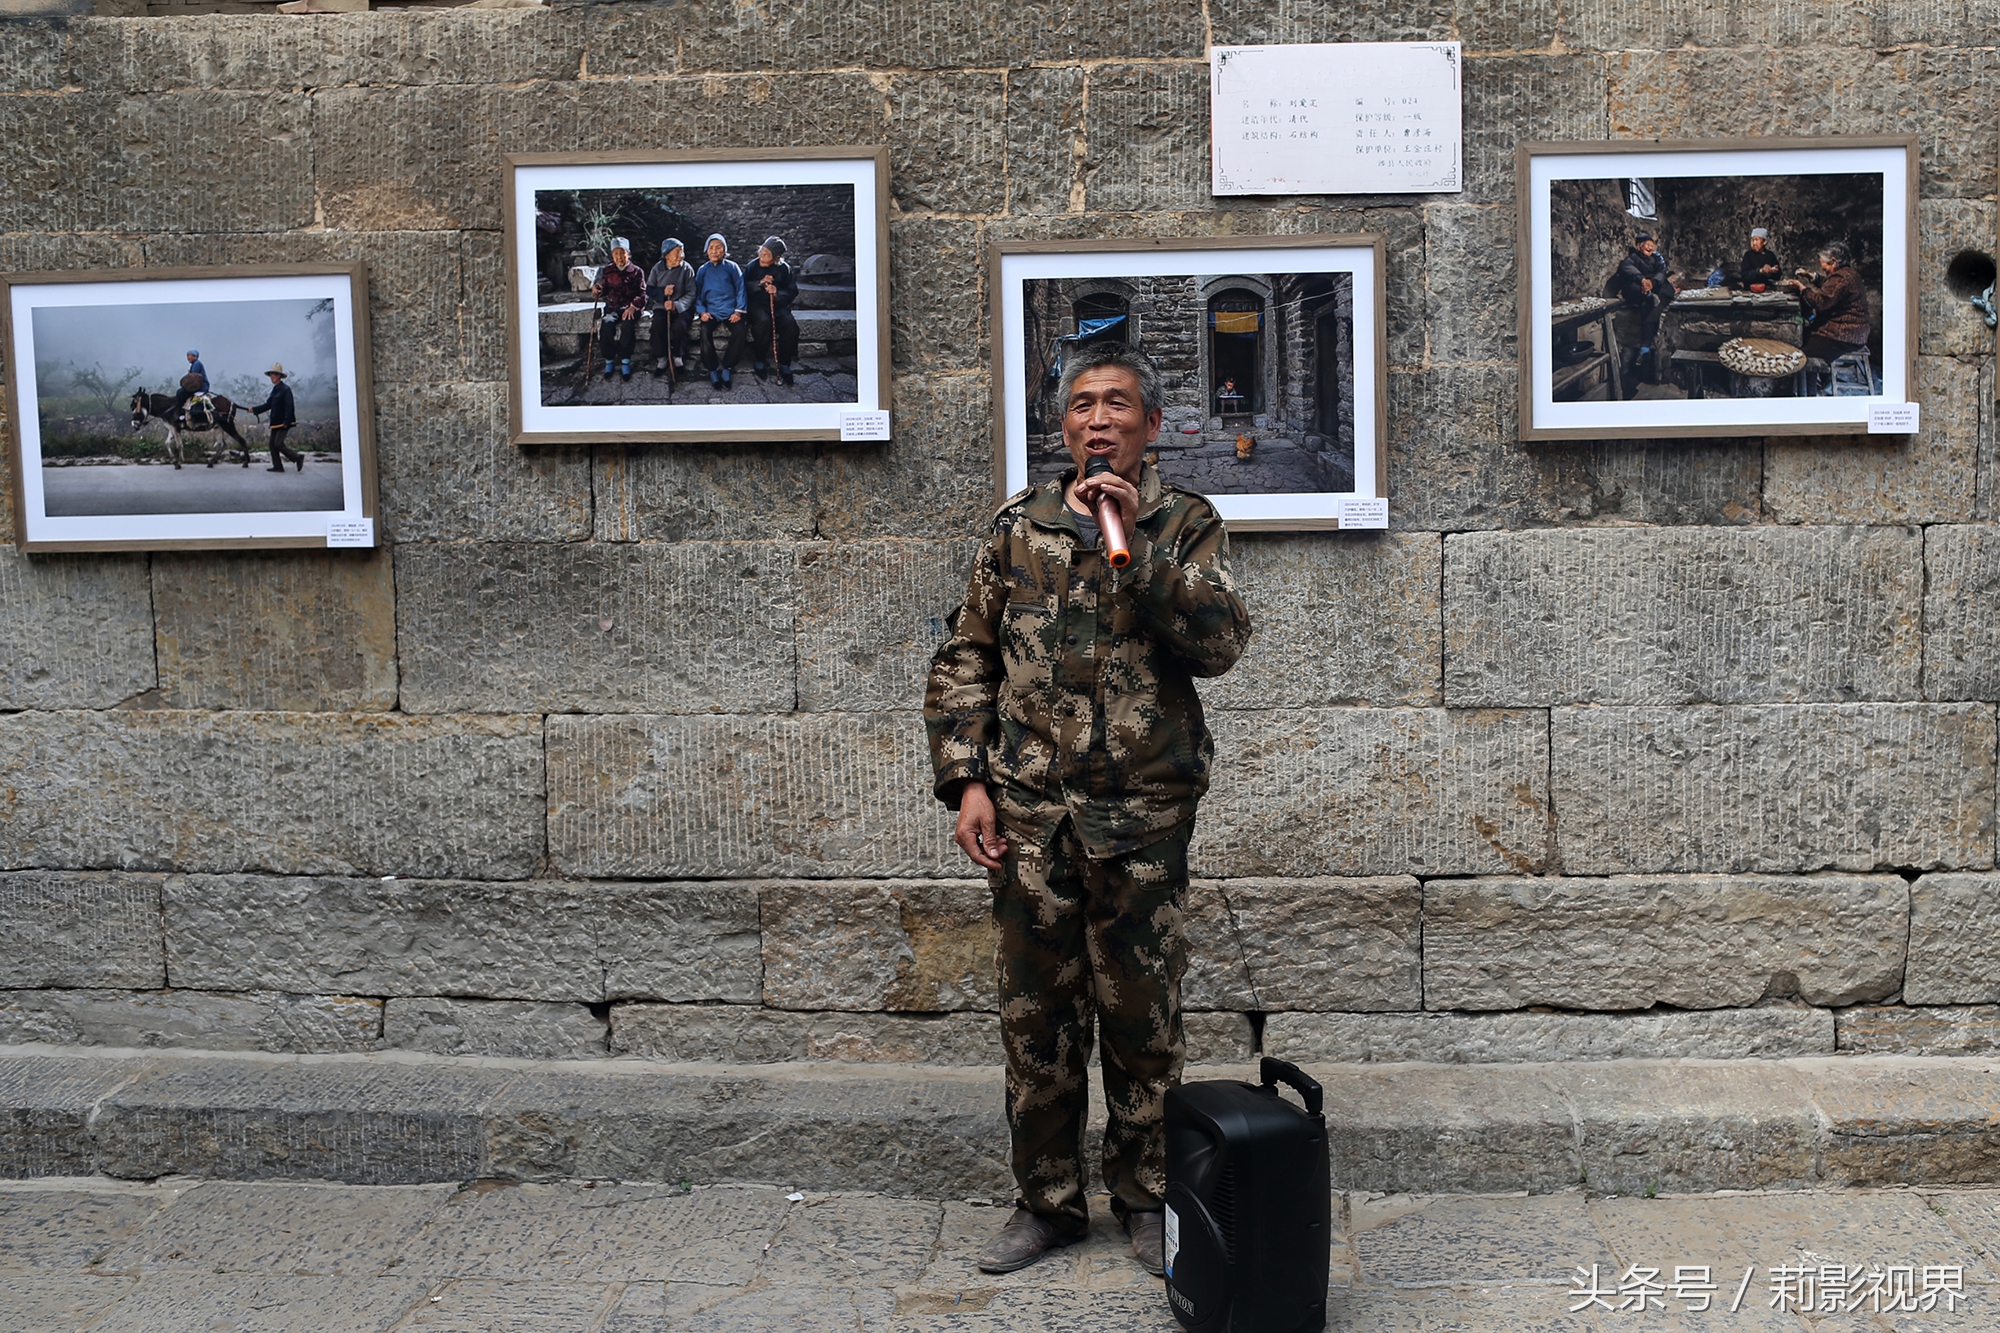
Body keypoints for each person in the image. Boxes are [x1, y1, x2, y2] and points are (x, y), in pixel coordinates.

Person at [924, 342, 1252, 1279]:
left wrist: (1134, 546)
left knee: (1143, 1018)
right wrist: (967, 780)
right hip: (1030, 816)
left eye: (1117, 405)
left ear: (1150, 427)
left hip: (1142, 816)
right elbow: (965, 660)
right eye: (1081, 406)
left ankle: (1148, 1199)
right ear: (1063, 426)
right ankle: (1048, 1204)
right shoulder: (1016, 529)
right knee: (1038, 1019)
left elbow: (1220, 641)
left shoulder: (1186, 523)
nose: (1098, 420)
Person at [1786, 242, 1872, 387]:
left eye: (1824, 265)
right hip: (1854, 331)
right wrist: (1810, 276)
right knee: (1807, 333)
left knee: (1805, 356)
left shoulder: (1842, 278)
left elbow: (1820, 302)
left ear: (1833, 262)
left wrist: (1803, 288)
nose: (1822, 268)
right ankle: (1825, 378)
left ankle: (1808, 393)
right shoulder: (1848, 274)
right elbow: (1830, 286)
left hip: (1846, 335)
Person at [1614, 232, 1678, 388]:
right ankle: (1645, 348)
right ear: (1638, 246)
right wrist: (1642, 280)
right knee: (1632, 288)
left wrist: (1652, 282)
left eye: (1652, 244)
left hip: (1654, 288)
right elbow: (1625, 267)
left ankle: (1645, 347)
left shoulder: (1657, 258)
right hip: (1641, 287)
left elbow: (1662, 272)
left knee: (1655, 300)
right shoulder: (1633, 258)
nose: (1650, 246)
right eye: (1646, 244)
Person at [742, 236, 800, 386]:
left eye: (767, 254)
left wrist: (777, 293)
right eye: (762, 251)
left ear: (776, 258)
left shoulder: (784, 269)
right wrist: (759, 283)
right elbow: (741, 287)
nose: (761, 255)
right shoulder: (752, 266)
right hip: (757, 306)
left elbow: (792, 290)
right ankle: (760, 360)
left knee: (789, 324)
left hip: (778, 307)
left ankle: (784, 363)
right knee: (763, 321)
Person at [693, 233, 747, 390]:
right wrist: (702, 311)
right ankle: (711, 369)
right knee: (704, 330)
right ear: (706, 250)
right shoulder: (703, 270)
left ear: (724, 250)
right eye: (711, 248)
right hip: (711, 311)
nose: (714, 251)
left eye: (718, 247)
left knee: (740, 330)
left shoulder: (732, 267)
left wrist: (738, 311)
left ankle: (727, 367)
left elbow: (741, 289)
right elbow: (697, 293)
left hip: (731, 311)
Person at [591, 237, 647, 382]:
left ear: (628, 254)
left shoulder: (637, 272)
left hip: (631, 307)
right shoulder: (608, 271)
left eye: (622, 253)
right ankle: (609, 361)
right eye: (616, 254)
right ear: (612, 255)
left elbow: (643, 294)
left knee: (628, 326)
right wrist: (598, 290)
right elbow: (604, 289)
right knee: (607, 324)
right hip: (613, 306)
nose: (619, 257)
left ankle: (625, 361)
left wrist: (633, 306)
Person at [647, 238, 696, 378]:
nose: (681, 255)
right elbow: (650, 290)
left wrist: (676, 304)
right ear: (666, 254)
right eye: (677, 252)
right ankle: (662, 358)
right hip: (662, 306)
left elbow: (692, 293)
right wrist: (663, 293)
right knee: (657, 325)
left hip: (682, 307)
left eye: (682, 251)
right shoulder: (657, 268)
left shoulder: (686, 269)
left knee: (680, 326)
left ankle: (678, 356)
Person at [246, 361, 304, 472]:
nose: (271, 376)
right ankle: (278, 466)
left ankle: (297, 458)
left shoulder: (286, 390)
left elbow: (289, 407)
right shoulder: (275, 390)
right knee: (272, 445)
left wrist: (287, 421)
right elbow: (268, 405)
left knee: (278, 444)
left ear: (278, 376)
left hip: (284, 422)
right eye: (271, 374)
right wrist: (255, 409)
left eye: (273, 374)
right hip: (275, 422)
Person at [170, 348, 208, 415]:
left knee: (180, 393)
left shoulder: (197, 364)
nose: (187, 358)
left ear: (194, 356)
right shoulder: (194, 364)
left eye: (189, 356)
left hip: (200, 387)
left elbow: (193, 378)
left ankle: (181, 411)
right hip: (197, 386)